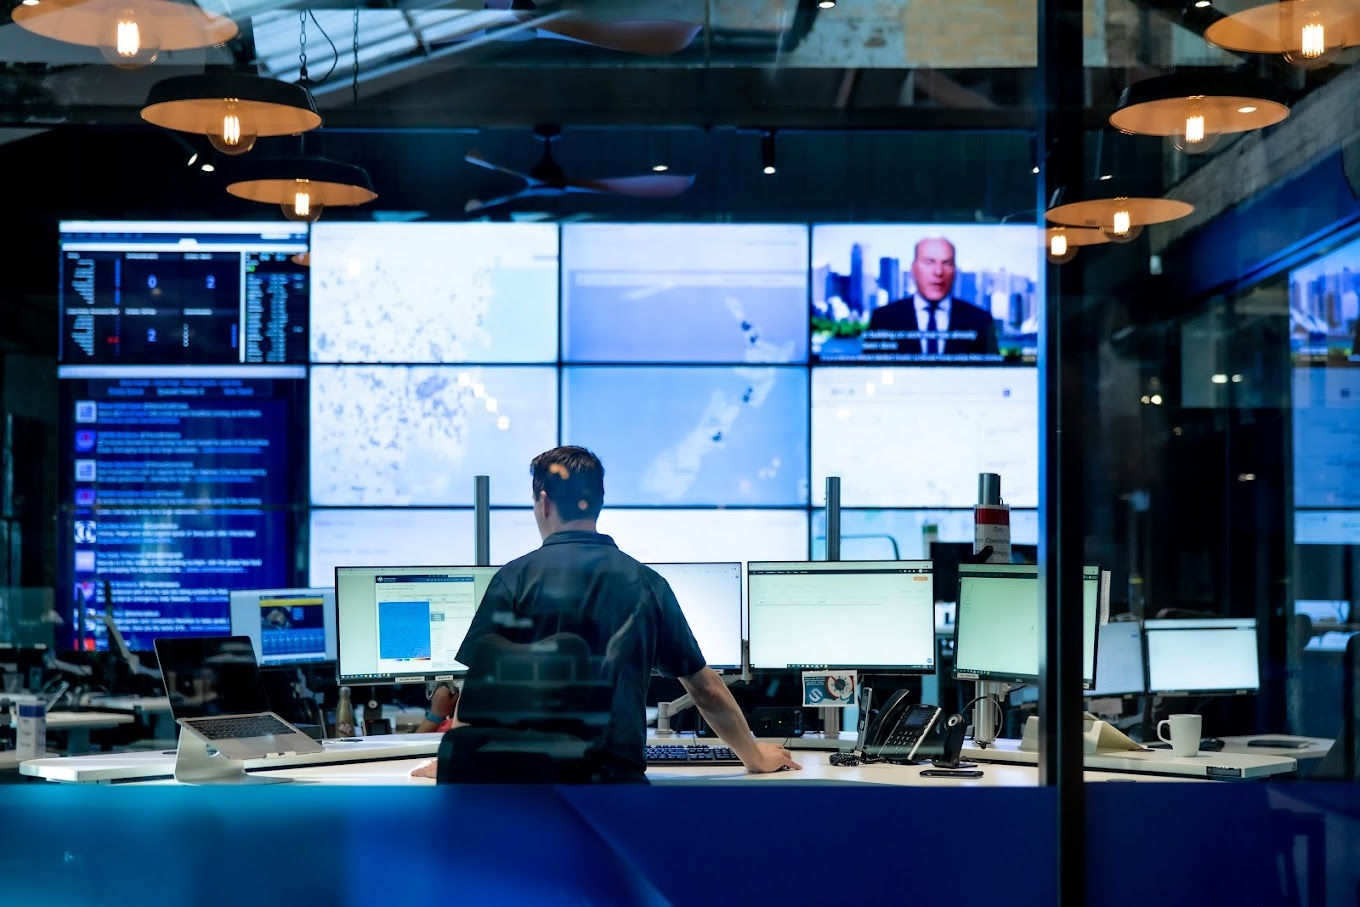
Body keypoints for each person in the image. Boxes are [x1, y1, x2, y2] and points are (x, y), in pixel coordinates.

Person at [412, 445, 800, 781]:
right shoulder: (646, 583)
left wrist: (454, 761)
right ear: (598, 501)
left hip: (529, 792)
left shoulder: (513, 579)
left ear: (543, 502)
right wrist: (754, 756)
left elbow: (477, 698)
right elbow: (706, 690)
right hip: (618, 790)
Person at [863, 237, 999, 356]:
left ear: (955, 271)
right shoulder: (883, 318)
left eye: (946, 263)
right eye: (929, 262)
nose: (938, 272)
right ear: (913, 269)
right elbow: (869, 373)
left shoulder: (980, 320)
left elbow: (993, 375)